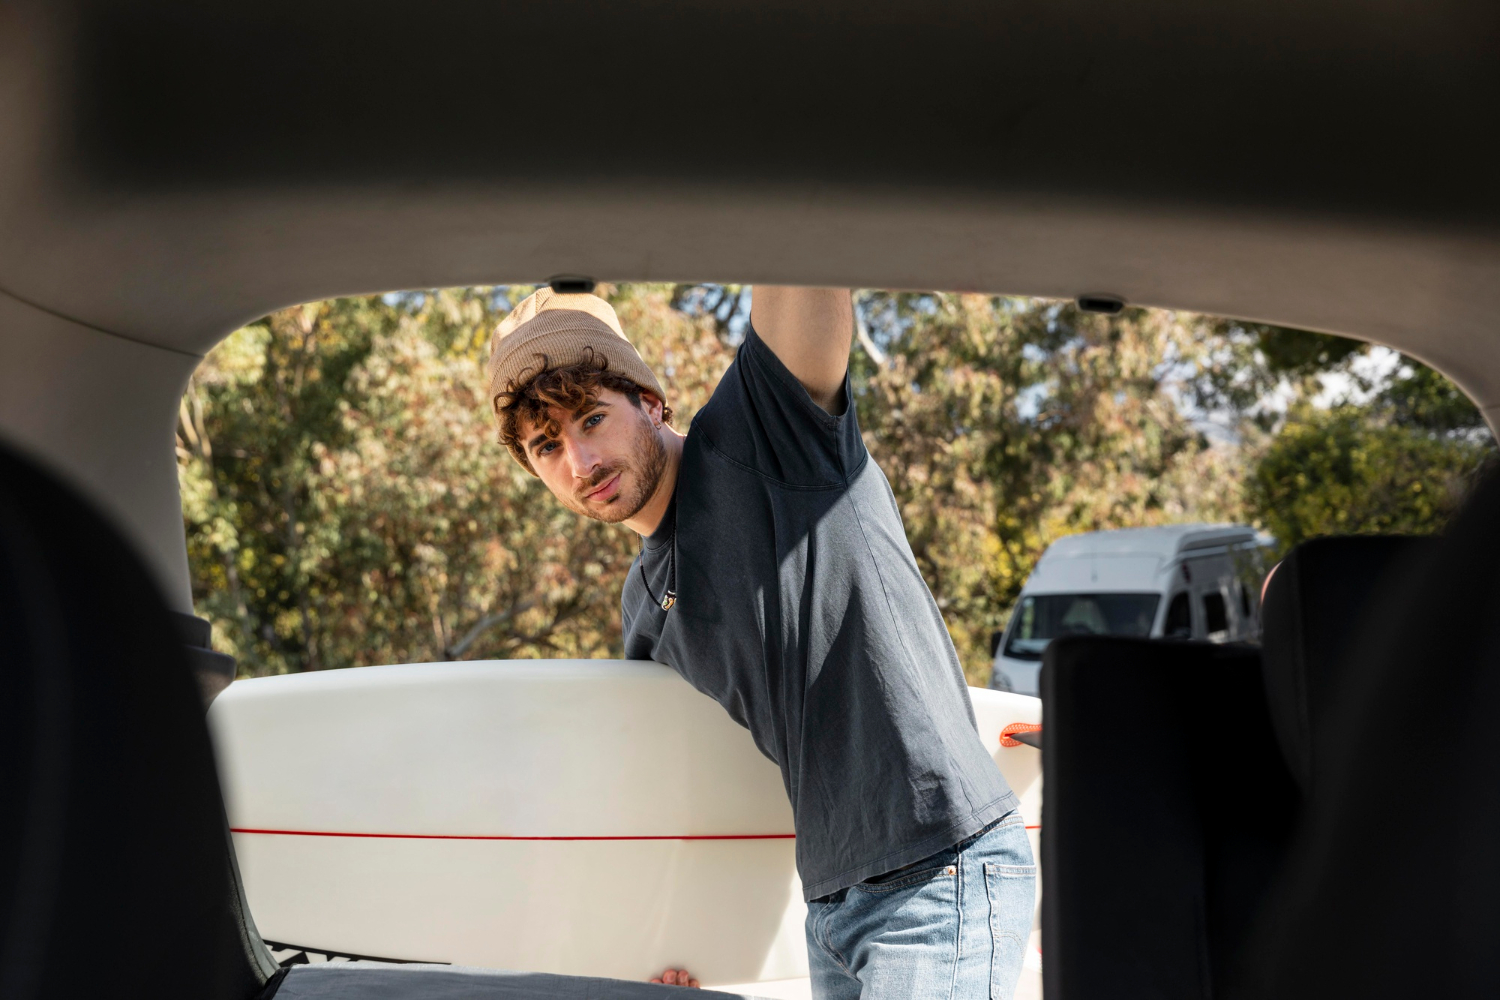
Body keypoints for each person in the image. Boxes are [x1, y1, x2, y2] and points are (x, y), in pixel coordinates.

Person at [485, 285, 1035, 999]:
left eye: (593, 417)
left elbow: (802, 261)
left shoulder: (763, 434)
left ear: (651, 402)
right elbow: (686, 789)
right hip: (831, 906)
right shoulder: (645, 606)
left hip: (940, 864)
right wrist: (669, 944)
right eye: (547, 446)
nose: (581, 461)